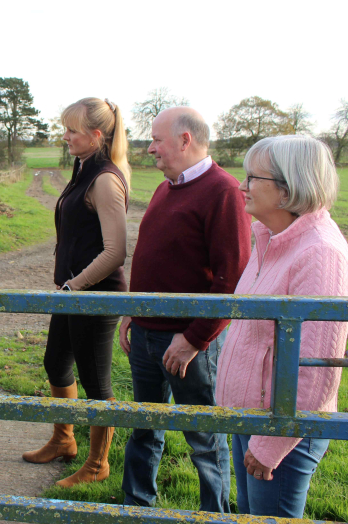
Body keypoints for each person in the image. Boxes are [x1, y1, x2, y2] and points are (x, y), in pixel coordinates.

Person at [216, 135, 348, 518]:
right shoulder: (269, 238)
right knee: (250, 514)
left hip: (282, 429)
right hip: (255, 415)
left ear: (287, 189)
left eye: (252, 177)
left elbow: (316, 372)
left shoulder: (319, 255)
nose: (241, 185)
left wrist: (270, 445)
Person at [119, 107, 252, 512]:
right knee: (144, 426)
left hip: (187, 340)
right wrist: (132, 311)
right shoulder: (167, 187)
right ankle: (138, 506)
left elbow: (233, 277)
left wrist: (194, 339)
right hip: (145, 332)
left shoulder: (223, 191)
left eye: (157, 139)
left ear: (184, 140)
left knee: (204, 435)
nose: (150, 147)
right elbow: (153, 258)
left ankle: (215, 514)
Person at [21, 98, 130, 488]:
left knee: (96, 382)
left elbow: (116, 251)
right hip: (72, 292)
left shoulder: (104, 178)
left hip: (96, 296)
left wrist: (75, 284)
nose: (64, 136)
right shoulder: (82, 168)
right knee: (56, 363)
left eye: (72, 130)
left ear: (96, 135)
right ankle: (64, 440)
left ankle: (98, 465)